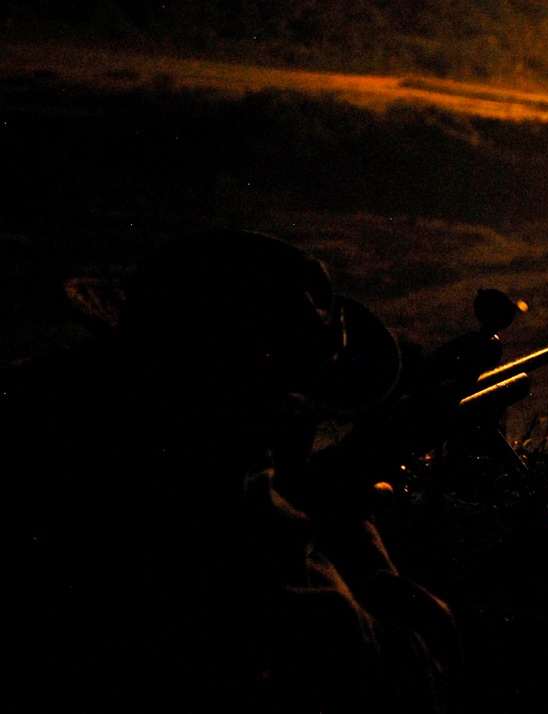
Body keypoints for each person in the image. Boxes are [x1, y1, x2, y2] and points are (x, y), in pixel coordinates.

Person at [4, 230, 460, 712]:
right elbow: (409, 677)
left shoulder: (42, 398)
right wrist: (353, 524)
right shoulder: (220, 494)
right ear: (262, 400)